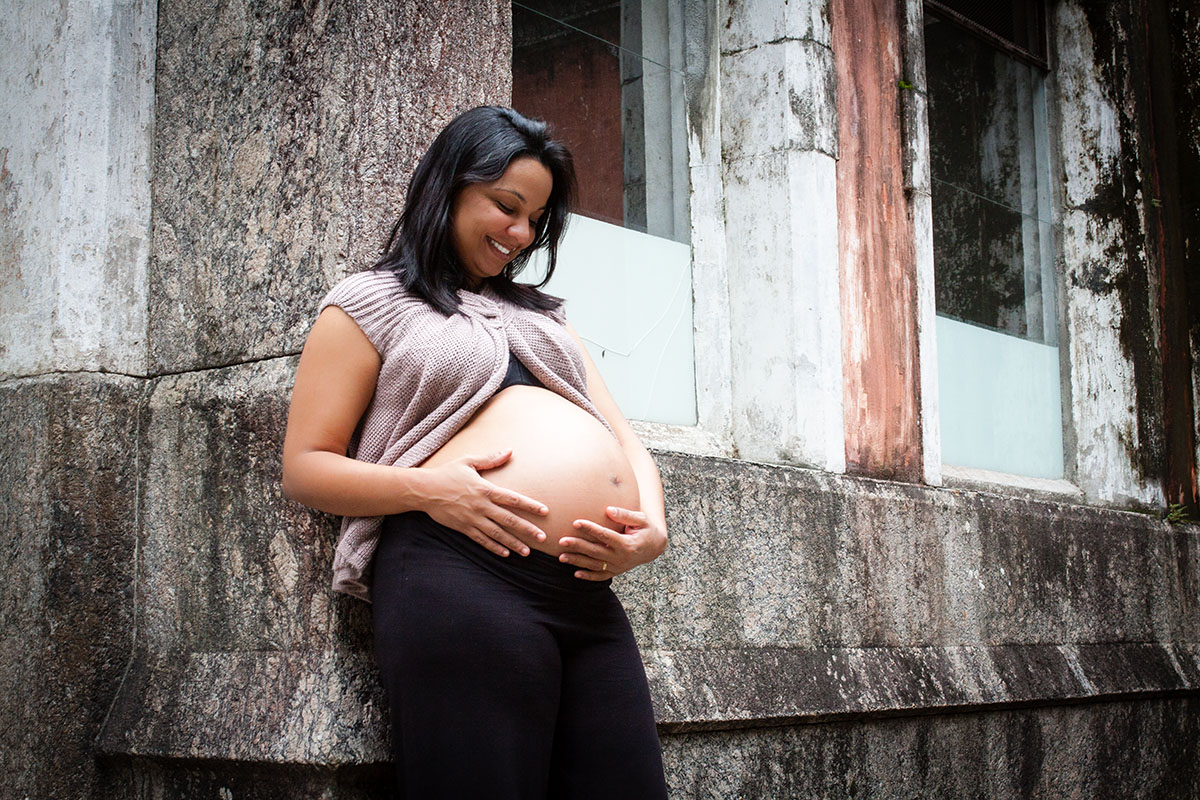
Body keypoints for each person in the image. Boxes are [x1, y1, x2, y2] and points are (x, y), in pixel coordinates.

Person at [281, 105, 670, 799]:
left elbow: (623, 439)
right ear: (449, 186)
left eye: (536, 219)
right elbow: (306, 467)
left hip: (586, 597)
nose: (520, 234)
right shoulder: (369, 303)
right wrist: (432, 491)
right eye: (506, 206)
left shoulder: (545, 319)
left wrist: (654, 530)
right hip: (458, 579)